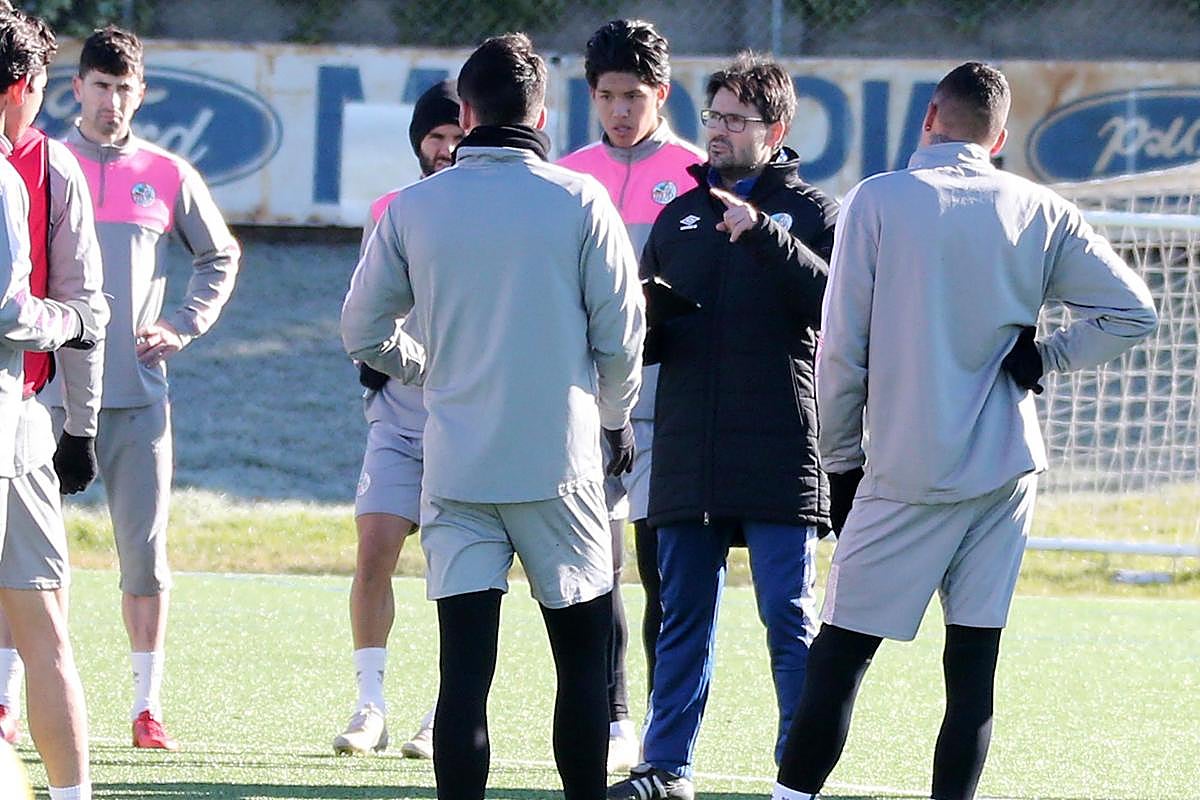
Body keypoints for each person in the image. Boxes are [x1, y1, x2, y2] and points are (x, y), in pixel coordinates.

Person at [772, 62, 1157, 800]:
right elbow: (1133, 313)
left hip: (902, 472)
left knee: (840, 658)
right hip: (1006, 471)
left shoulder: (876, 202)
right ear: (1000, 137)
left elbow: (840, 349)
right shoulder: (1041, 210)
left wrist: (841, 465)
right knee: (972, 670)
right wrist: (1046, 356)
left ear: (929, 118)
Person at [341, 33, 644, 800]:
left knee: (464, 676)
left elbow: (363, 332)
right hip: (560, 465)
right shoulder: (580, 198)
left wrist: (431, 367)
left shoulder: (413, 206)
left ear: (467, 112)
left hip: (459, 465)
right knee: (580, 667)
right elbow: (621, 337)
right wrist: (613, 419)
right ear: (542, 110)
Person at [607, 53, 837, 800]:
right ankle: (665, 767)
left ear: (776, 129)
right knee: (680, 619)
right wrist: (642, 327)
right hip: (687, 449)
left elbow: (839, 313)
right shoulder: (680, 213)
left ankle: (798, 777)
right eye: (713, 118)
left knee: (788, 618)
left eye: (736, 120)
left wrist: (766, 234)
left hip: (779, 448)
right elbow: (645, 330)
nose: (719, 133)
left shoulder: (817, 214)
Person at [46, 25, 241, 751]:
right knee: (28, 555)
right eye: (100, 85)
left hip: (137, 397)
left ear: (142, 93)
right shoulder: (44, 163)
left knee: (145, 557)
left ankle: (145, 706)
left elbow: (218, 256)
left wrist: (183, 325)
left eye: (125, 88)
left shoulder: (165, 173)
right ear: (78, 88)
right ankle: (9, 696)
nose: (112, 101)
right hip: (48, 397)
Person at [556, 18, 703, 772]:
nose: (620, 109)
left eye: (634, 96)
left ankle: (659, 719)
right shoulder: (569, 173)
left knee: (664, 571)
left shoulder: (697, 170)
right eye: (608, 95)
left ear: (662, 94)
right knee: (598, 566)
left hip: (669, 400)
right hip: (589, 402)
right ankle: (614, 716)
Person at [331, 78, 463, 759]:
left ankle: (444, 712)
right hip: (398, 413)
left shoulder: (480, 209)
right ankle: (369, 706)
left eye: (455, 135)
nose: (445, 148)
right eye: (435, 136)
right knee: (375, 550)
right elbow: (369, 306)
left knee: (455, 568)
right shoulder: (390, 208)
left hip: (464, 415)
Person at [0, 10, 103, 799]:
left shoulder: (50, 168)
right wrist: (69, 320)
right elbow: (15, 309)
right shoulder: (9, 172)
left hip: (25, 424)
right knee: (46, 635)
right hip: (10, 423)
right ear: (21, 88)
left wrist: (81, 425)